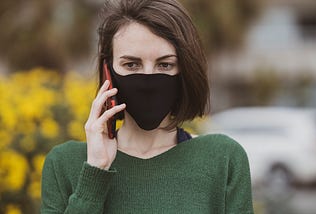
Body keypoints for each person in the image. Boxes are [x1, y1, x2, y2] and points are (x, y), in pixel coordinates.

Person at [41, 0, 254, 213]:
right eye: (131, 64)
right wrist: (96, 171)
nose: (148, 79)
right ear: (108, 71)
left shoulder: (222, 158)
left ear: (184, 71)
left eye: (165, 65)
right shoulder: (64, 163)